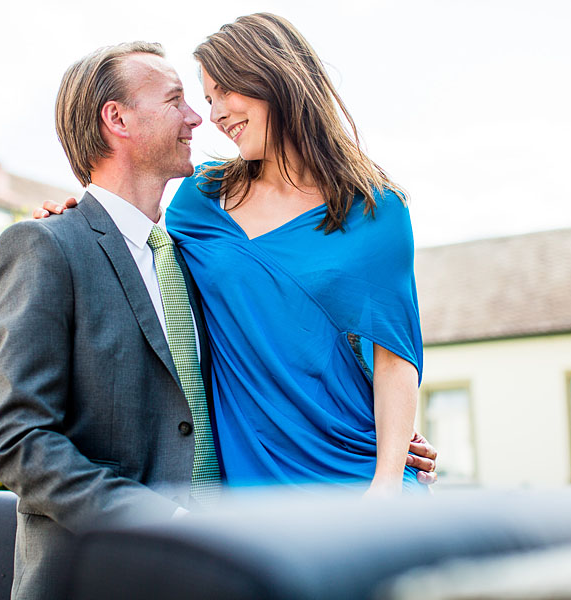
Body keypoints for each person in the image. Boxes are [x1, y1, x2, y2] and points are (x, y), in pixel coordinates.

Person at [35, 13, 437, 495]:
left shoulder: (377, 211)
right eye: (208, 99)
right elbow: (127, 240)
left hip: (356, 474)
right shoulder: (199, 200)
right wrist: (75, 213)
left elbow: (396, 359)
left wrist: (388, 480)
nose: (215, 113)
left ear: (275, 77)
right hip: (247, 491)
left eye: (226, 91)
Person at [0, 42, 221, 599]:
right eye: (175, 100)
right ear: (117, 119)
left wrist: (374, 432)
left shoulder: (190, 258)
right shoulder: (44, 246)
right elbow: (19, 439)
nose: (197, 116)